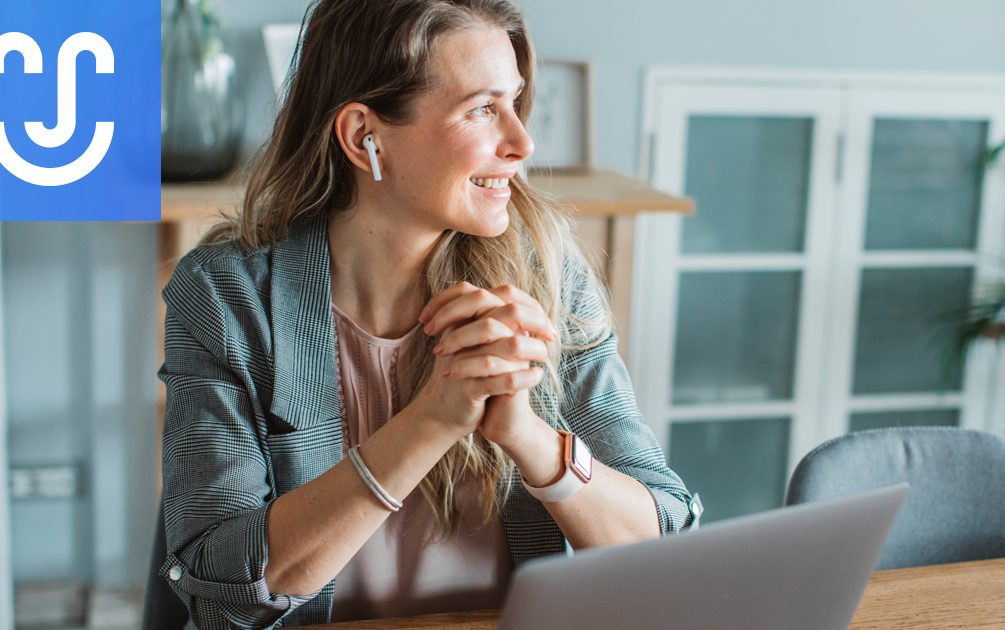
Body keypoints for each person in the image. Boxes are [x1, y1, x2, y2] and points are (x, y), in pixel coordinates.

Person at [157, 0, 700, 626]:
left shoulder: (549, 277)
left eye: (515, 103)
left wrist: (527, 435)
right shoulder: (228, 296)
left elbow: (661, 543)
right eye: (481, 109)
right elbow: (221, 595)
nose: (522, 143)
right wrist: (431, 421)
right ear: (365, 137)